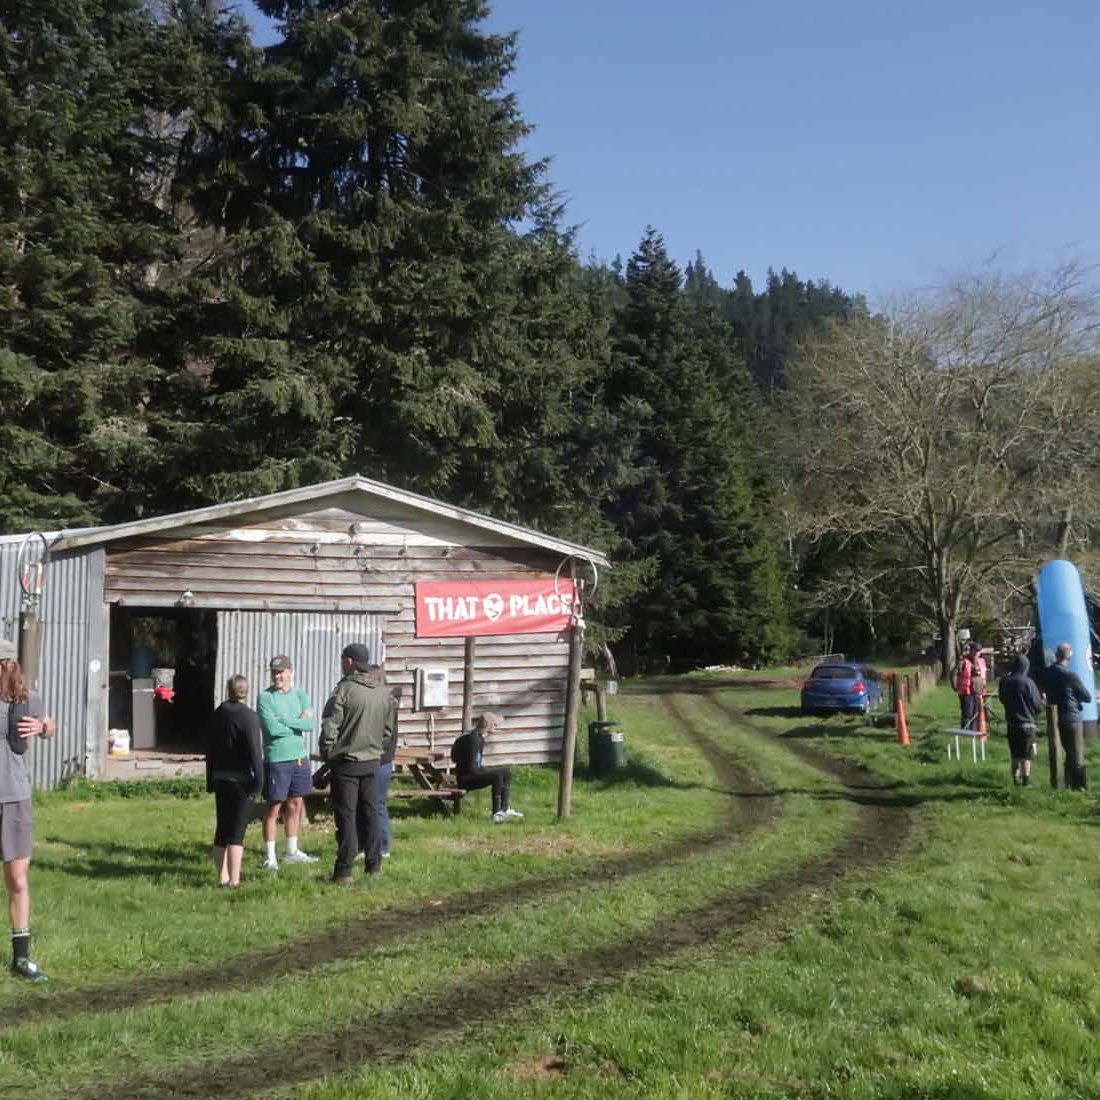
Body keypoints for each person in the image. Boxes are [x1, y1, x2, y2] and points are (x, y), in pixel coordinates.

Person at [0, 639, 55, 982]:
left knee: (17, 880)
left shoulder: (26, 699)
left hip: (15, 797)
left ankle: (21, 958)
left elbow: (50, 725)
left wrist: (43, 727)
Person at [319, 644, 396, 885]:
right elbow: (388, 732)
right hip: (372, 762)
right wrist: (375, 750)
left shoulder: (344, 690)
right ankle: (374, 866)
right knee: (371, 815)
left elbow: (330, 727)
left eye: (343, 659)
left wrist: (328, 754)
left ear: (350, 662)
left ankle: (344, 871)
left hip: (347, 764)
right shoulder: (383, 692)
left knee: (347, 817)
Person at [256, 655, 317, 869]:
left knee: (295, 804)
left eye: (280, 671)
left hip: (299, 757)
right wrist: (297, 722)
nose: (277, 676)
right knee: (274, 807)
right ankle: (270, 856)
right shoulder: (265, 697)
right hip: (277, 759)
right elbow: (272, 729)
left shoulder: (300, 695)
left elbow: (310, 724)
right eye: (274, 672)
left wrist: (286, 721)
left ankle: (292, 851)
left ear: (290, 671)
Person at [206, 675, 264, 887]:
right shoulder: (249, 717)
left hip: (220, 779)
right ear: (246, 691)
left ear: (228, 689)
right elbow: (255, 752)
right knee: (236, 833)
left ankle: (222, 877)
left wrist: (210, 779)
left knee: (221, 831)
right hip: (242, 782)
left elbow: (210, 750)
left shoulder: (217, 714)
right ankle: (235, 881)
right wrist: (259, 782)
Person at [450, 712, 523, 823]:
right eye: (495, 725)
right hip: (465, 779)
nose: (496, 727)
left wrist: (485, 771)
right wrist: (487, 773)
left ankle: (504, 809)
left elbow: (476, 765)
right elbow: (471, 768)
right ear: (488, 725)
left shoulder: (477, 737)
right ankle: (496, 814)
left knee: (506, 771)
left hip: (471, 773)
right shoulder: (473, 740)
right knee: (497, 775)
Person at [1046, 642, 1093, 790]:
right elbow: (1087, 696)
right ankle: (1079, 785)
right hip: (1071, 716)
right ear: (1069, 657)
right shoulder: (1070, 675)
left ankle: (1065, 783)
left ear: (1056, 655)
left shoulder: (1049, 672)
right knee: (1076, 754)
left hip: (1055, 716)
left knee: (1065, 751)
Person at [997, 654, 1043, 786]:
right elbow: (1037, 705)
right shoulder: (1028, 682)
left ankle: (1015, 781)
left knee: (1015, 754)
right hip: (1027, 724)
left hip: (1011, 723)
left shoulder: (1004, 682)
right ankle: (1026, 782)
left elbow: (1002, 699)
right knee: (1026, 755)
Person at [954, 642, 987, 730]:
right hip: (966, 692)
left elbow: (983, 675)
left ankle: (973, 731)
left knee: (975, 714)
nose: (976, 653)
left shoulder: (981, 661)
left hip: (978, 691)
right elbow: (954, 674)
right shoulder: (963, 661)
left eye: (978, 651)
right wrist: (955, 687)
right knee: (967, 713)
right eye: (975, 650)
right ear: (971, 650)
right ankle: (965, 731)